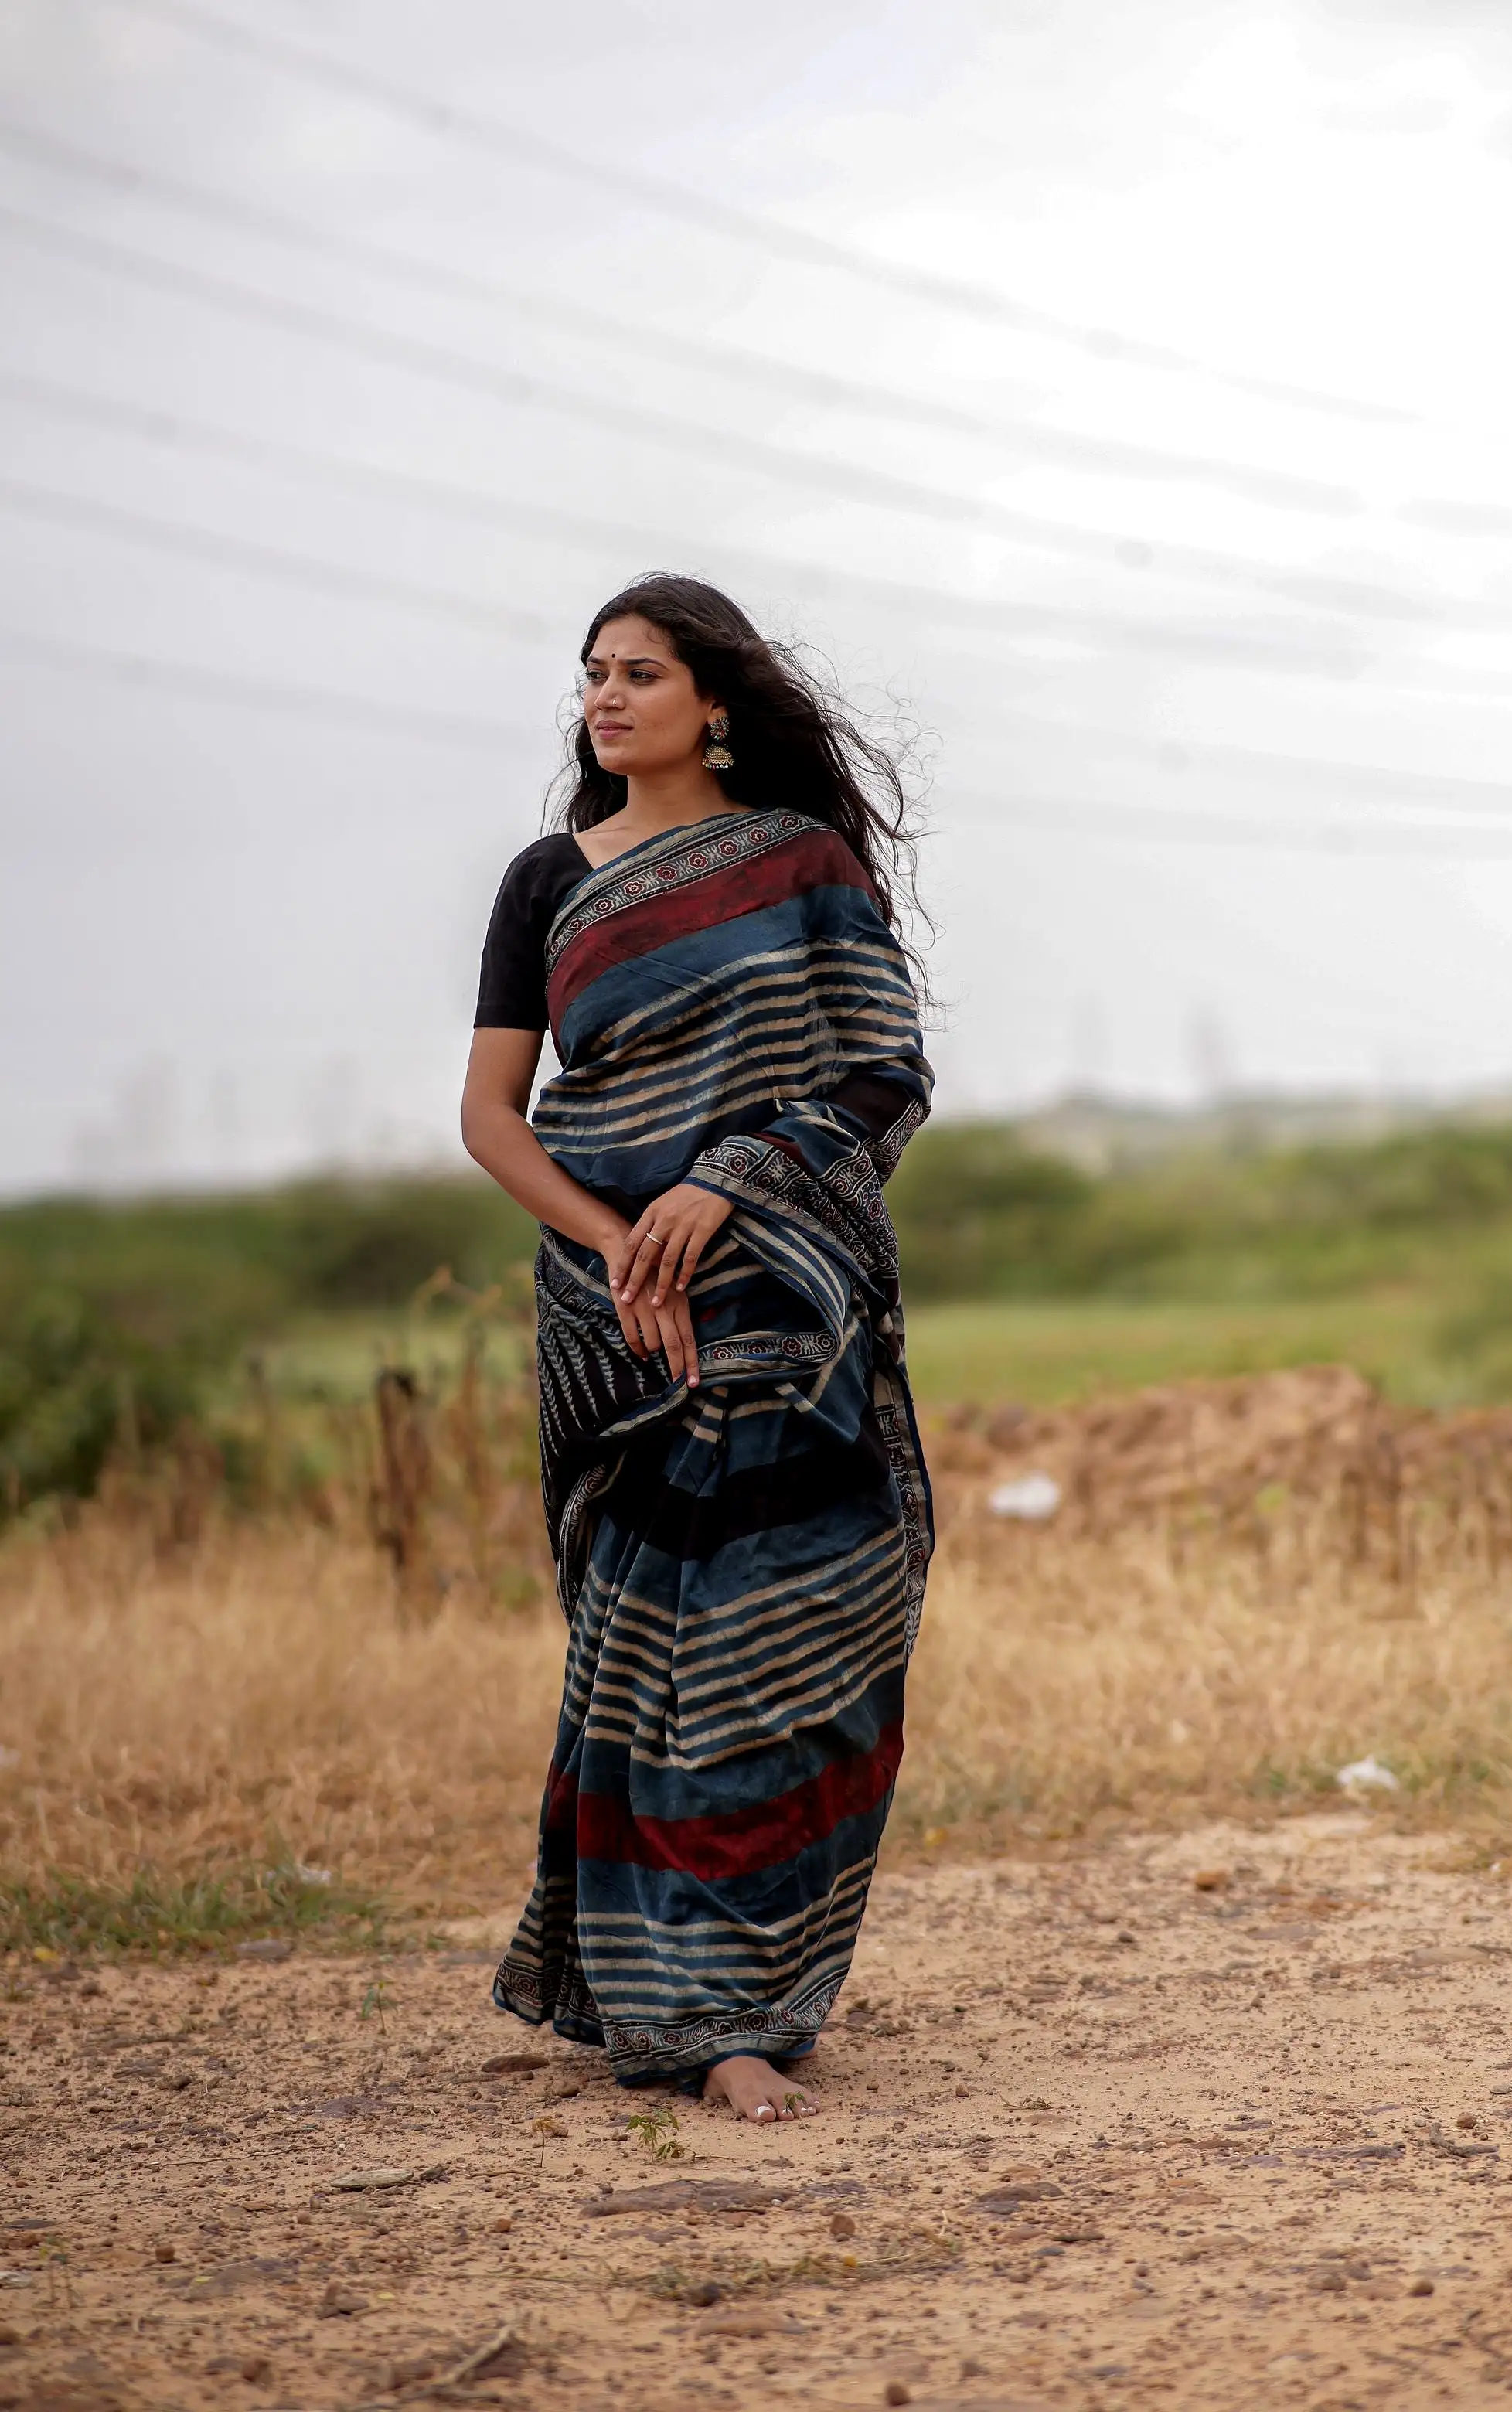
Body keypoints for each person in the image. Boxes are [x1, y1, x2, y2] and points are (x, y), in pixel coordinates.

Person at [461, 574, 934, 2124]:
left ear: (712, 702)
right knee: (643, 1666)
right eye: (591, 672)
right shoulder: (546, 881)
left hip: (780, 1304)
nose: (603, 697)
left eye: (639, 672)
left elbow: (883, 1075)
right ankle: (677, 2006)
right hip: (620, 1318)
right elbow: (489, 1119)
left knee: (782, 1656)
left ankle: (751, 1996)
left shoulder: (796, 866)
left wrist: (723, 1181)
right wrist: (616, 1241)